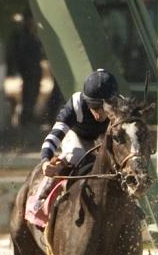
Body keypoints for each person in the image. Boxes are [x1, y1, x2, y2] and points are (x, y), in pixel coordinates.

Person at [29, 68, 121, 214]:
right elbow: (55, 135)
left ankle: (132, 203)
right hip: (77, 137)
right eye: (94, 107)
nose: (98, 114)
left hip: (104, 138)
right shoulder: (77, 103)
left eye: (102, 108)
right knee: (77, 154)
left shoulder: (120, 107)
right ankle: (44, 191)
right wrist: (45, 160)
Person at [7, 9, 44, 125]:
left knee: (33, 93)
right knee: (28, 93)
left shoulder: (32, 34)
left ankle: (28, 116)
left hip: (34, 68)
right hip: (28, 69)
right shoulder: (22, 35)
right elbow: (19, 53)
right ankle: (26, 118)